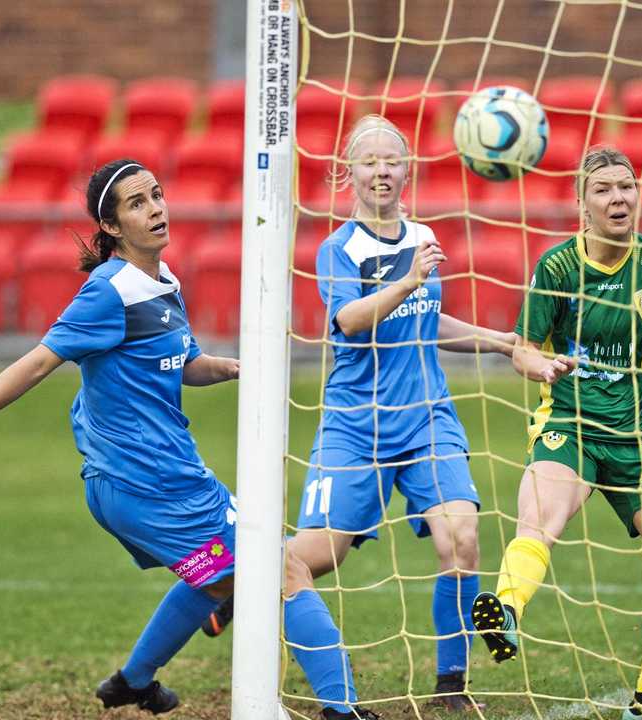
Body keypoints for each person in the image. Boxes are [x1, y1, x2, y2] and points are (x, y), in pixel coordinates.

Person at [203, 114, 516, 715]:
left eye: (390, 161)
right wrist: (408, 279)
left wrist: (501, 340)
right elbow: (350, 321)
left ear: (408, 170)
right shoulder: (337, 248)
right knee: (316, 556)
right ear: (348, 173)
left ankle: (452, 684)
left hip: (427, 416)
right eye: (368, 162)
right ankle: (241, 582)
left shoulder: (422, 237)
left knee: (463, 538)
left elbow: (426, 324)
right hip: (356, 424)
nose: (381, 171)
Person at [0, 159, 245, 716]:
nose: (157, 208)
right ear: (112, 227)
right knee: (253, 569)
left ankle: (134, 681)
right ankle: (338, 703)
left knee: (229, 570)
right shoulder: (108, 291)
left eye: (158, 195)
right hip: (143, 481)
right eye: (137, 203)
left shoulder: (165, 282)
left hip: (169, 471)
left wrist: (236, 368)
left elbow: (184, 364)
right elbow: (38, 363)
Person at [470, 146, 642, 720]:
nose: (619, 197)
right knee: (543, 517)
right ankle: (504, 610)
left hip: (638, 433)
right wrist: (537, 365)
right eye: (604, 189)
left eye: (627, 186)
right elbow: (523, 347)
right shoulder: (559, 266)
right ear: (582, 203)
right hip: (569, 421)